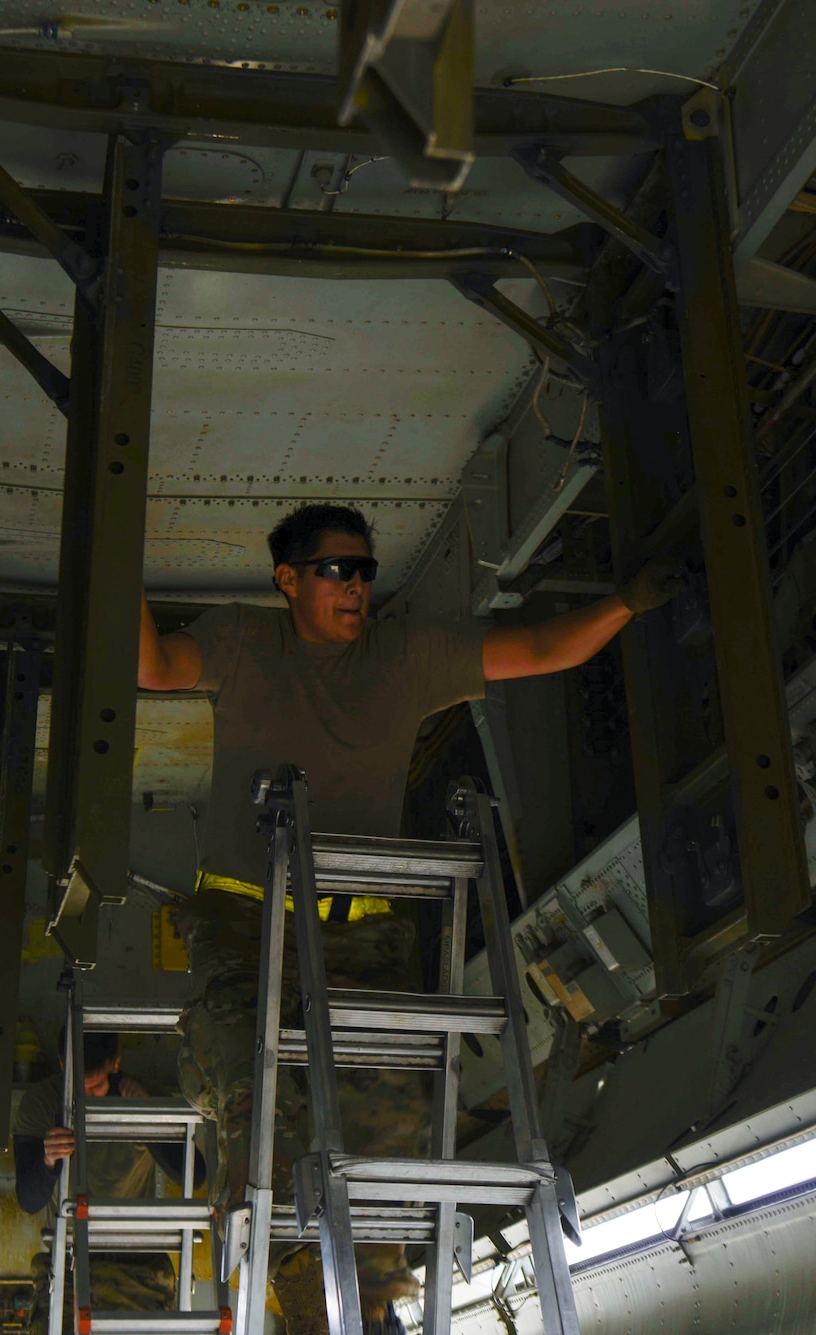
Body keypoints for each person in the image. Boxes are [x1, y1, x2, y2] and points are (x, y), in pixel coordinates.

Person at [137, 503, 684, 1335]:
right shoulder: (246, 644)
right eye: (335, 570)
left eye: (364, 571)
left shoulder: (405, 656)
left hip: (363, 928)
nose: (355, 586)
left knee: (391, 1126)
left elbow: (538, 648)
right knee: (261, 1110)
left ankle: (374, 1309)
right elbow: (158, 665)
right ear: (288, 579)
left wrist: (627, 602)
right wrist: (116, 562)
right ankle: (301, 1308)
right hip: (246, 925)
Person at [13, 1030, 207, 1323]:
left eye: (96, 1085)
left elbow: (195, 1175)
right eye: (80, 1087)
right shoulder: (41, 1103)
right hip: (69, 1263)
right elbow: (28, 1199)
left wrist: (150, 1121)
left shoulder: (143, 1096)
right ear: (62, 1065)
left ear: (115, 1064)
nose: (88, 1096)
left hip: (136, 1263)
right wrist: (47, 1161)